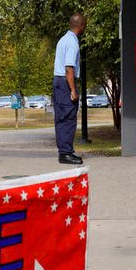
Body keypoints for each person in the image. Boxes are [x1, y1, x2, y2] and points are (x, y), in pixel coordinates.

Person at [53, 13, 87, 165]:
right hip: (65, 82)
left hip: (58, 81)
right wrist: (73, 90)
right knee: (68, 117)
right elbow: (69, 68)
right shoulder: (72, 42)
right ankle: (66, 153)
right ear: (80, 25)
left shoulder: (63, 39)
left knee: (61, 117)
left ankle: (64, 151)